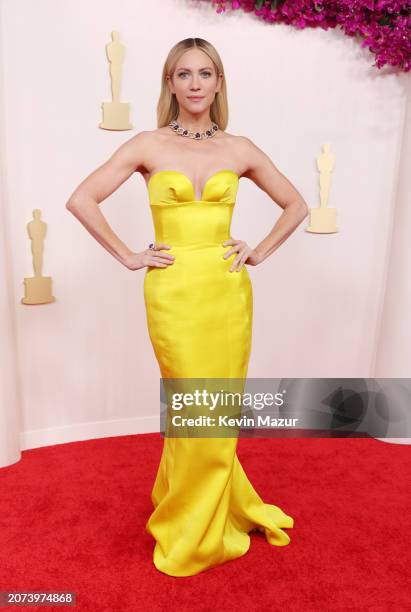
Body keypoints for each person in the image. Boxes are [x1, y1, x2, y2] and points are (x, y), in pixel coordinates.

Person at [66, 37, 308, 577]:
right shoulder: (147, 144)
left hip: (226, 292)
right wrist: (129, 255)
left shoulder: (240, 148)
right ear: (169, 83)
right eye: (183, 74)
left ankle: (204, 512)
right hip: (173, 293)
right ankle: (191, 525)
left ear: (219, 82)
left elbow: (297, 204)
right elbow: (81, 198)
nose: (195, 83)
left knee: (215, 411)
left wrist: (259, 250)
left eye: (205, 73)